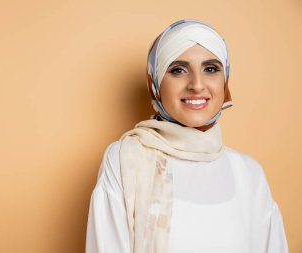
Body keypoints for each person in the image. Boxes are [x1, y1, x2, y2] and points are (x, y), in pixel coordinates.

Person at [85, 19, 289, 253]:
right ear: (157, 84)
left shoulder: (248, 173)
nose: (197, 85)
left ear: (225, 82)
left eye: (210, 69)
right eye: (178, 70)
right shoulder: (125, 159)